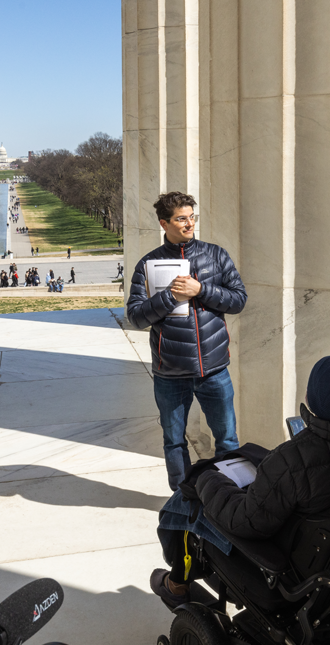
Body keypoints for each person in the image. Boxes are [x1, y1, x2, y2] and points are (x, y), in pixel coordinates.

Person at [151, 356, 330, 607]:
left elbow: (245, 521)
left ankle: (176, 586)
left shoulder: (293, 460)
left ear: (312, 401)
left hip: (284, 569)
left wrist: (207, 479)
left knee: (185, 503)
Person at [127, 191, 247, 490]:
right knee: (173, 442)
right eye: (182, 219)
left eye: (192, 217)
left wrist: (200, 290)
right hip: (170, 372)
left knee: (228, 440)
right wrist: (169, 296)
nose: (189, 224)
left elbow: (238, 300)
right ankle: (183, 500)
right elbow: (137, 317)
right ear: (164, 223)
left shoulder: (216, 255)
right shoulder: (148, 264)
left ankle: (230, 497)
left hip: (214, 368)